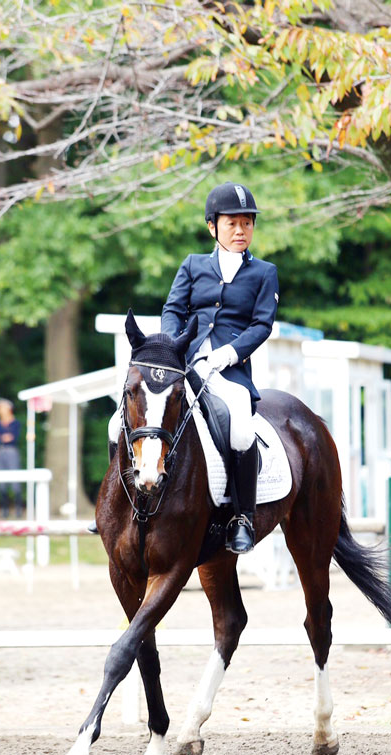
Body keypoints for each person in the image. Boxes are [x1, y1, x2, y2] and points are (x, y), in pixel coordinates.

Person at [160, 181, 280, 554]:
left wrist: (229, 353)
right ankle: (119, 503)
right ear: (213, 226)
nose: (241, 231)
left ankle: (241, 517)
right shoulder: (193, 265)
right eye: (232, 223)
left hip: (229, 372)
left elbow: (262, 324)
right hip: (187, 363)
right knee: (127, 418)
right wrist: (172, 346)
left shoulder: (264, 273)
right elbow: (173, 310)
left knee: (242, 431)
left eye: (247, 223)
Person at [0, 398, 23, 518]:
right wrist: (2, 438)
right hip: (0, 452)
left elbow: (13, 438)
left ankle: (18, 510)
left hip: (11, 452)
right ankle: (4, 510)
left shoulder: (15, 423)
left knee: (15, 482)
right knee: (1, 481)